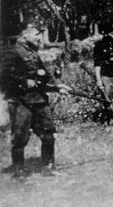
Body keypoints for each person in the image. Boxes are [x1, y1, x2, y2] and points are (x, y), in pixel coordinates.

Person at [0, 26, 71, 178]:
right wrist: (24, 82)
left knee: (49, 133)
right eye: (36, 36)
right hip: (21, 101)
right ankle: (19, 171)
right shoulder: (13, 52)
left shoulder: (33, 52)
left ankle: (49, 167)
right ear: (25, 36)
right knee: (20, 137)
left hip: (39, 100)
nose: (39, 39)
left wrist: (58, 87)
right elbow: (4, 77)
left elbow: (43, 76)